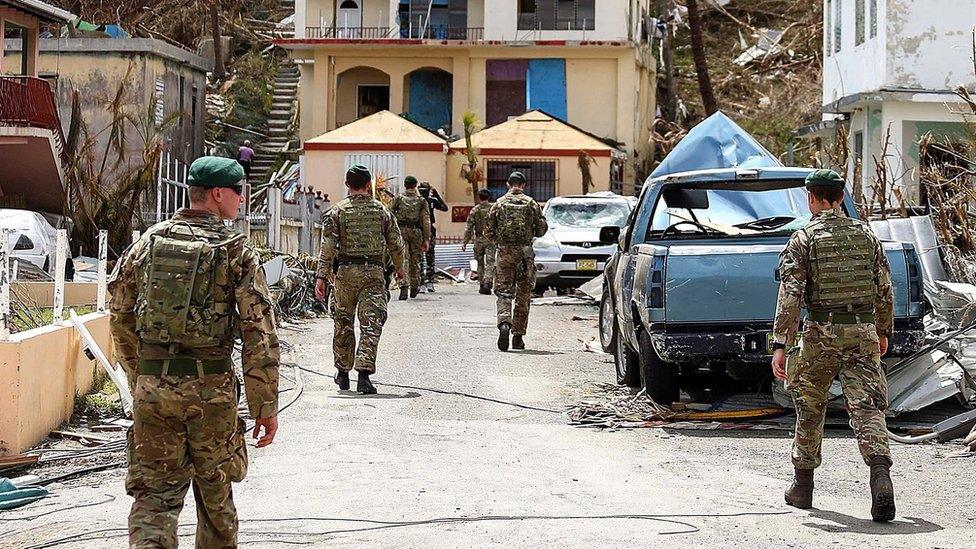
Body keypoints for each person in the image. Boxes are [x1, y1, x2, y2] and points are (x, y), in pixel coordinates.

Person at [109, 156, 280, 548]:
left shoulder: (146, 244)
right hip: (212, 392)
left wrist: (143, 377)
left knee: (154, 498)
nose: (242, 200)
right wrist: (264, 405)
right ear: (218, 194)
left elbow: (119, 317)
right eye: (239, 192)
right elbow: (259, 334)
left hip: (153, 391)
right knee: (215, 497)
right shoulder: (236, 251)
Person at [771, 169, 895, 522]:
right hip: (862, 332)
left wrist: (780, 343)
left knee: (810, 408)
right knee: (869, 408)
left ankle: (803, 487)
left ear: (811, 198)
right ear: (841, 197)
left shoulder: (803, 239)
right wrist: (883, 331)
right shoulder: (866, 236)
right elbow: (884, 289)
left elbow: (791, 296)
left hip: (819, 335)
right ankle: (880, 475)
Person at [315, 165, 406, 394]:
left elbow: (328, 248)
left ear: (347, 185)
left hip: (344, 274)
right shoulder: (382, 211)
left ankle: (343, 373)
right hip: (373, 274)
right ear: (368, 185)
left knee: (343, 322)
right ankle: (364, 375)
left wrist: (321, 277)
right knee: (371, 323)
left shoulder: (337, 212)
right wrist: (399, 268)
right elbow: (396, 243)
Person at [485, 172, 547, 351]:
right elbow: (541, 229)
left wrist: (500, 241)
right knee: (523, 294)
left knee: (504, 292)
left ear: (507, 185)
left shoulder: (498, 204)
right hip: (525, 254)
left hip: (505, 252)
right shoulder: (531, 203)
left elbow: (488, 231)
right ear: (524, 185)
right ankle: (518, 337)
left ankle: (504, 323)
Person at [390, 176, 431, 300]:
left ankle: (404, 286)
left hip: (401, 231)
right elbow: (426, 220)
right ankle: (415, 285)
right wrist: (426, 239)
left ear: (405, 185)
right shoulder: (422, 201)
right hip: (416, 232)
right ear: (415, 185)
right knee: (416, 260)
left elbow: (389, 214)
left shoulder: (398, 198)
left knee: (404, 259)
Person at [462, 188, 495, 295]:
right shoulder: (493, 209)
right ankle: (488, 282)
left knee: (480, 263)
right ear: (489, 197)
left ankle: (482, 284)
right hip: (491, 240)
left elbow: (469, 228)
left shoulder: (475, 210)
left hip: (479, 240)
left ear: (479, 197)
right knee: (490, 262)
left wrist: (464, 243)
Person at [418, 181, 448, 292]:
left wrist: (436, 197)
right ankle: (426, 282)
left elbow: (445, 208)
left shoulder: (425, 201)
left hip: (424, 231)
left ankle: (424, 282)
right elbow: (445, 208)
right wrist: (436, 195)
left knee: (424, 258)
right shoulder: (423, 201)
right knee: (426, 258)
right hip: (424, 231)